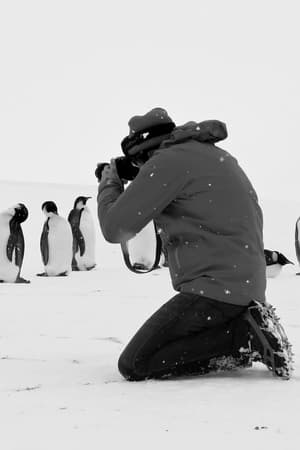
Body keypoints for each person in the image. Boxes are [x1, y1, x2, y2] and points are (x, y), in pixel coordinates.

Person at [96, 107, 293, 381]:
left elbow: (114, 228)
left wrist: (109, 182)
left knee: (136, 362)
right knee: (166, 348)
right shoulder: (213, 155)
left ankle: (243, 338)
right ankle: (242, 336)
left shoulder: (167, 163)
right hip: (244, 284)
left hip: (215, 289)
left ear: (143, 151)